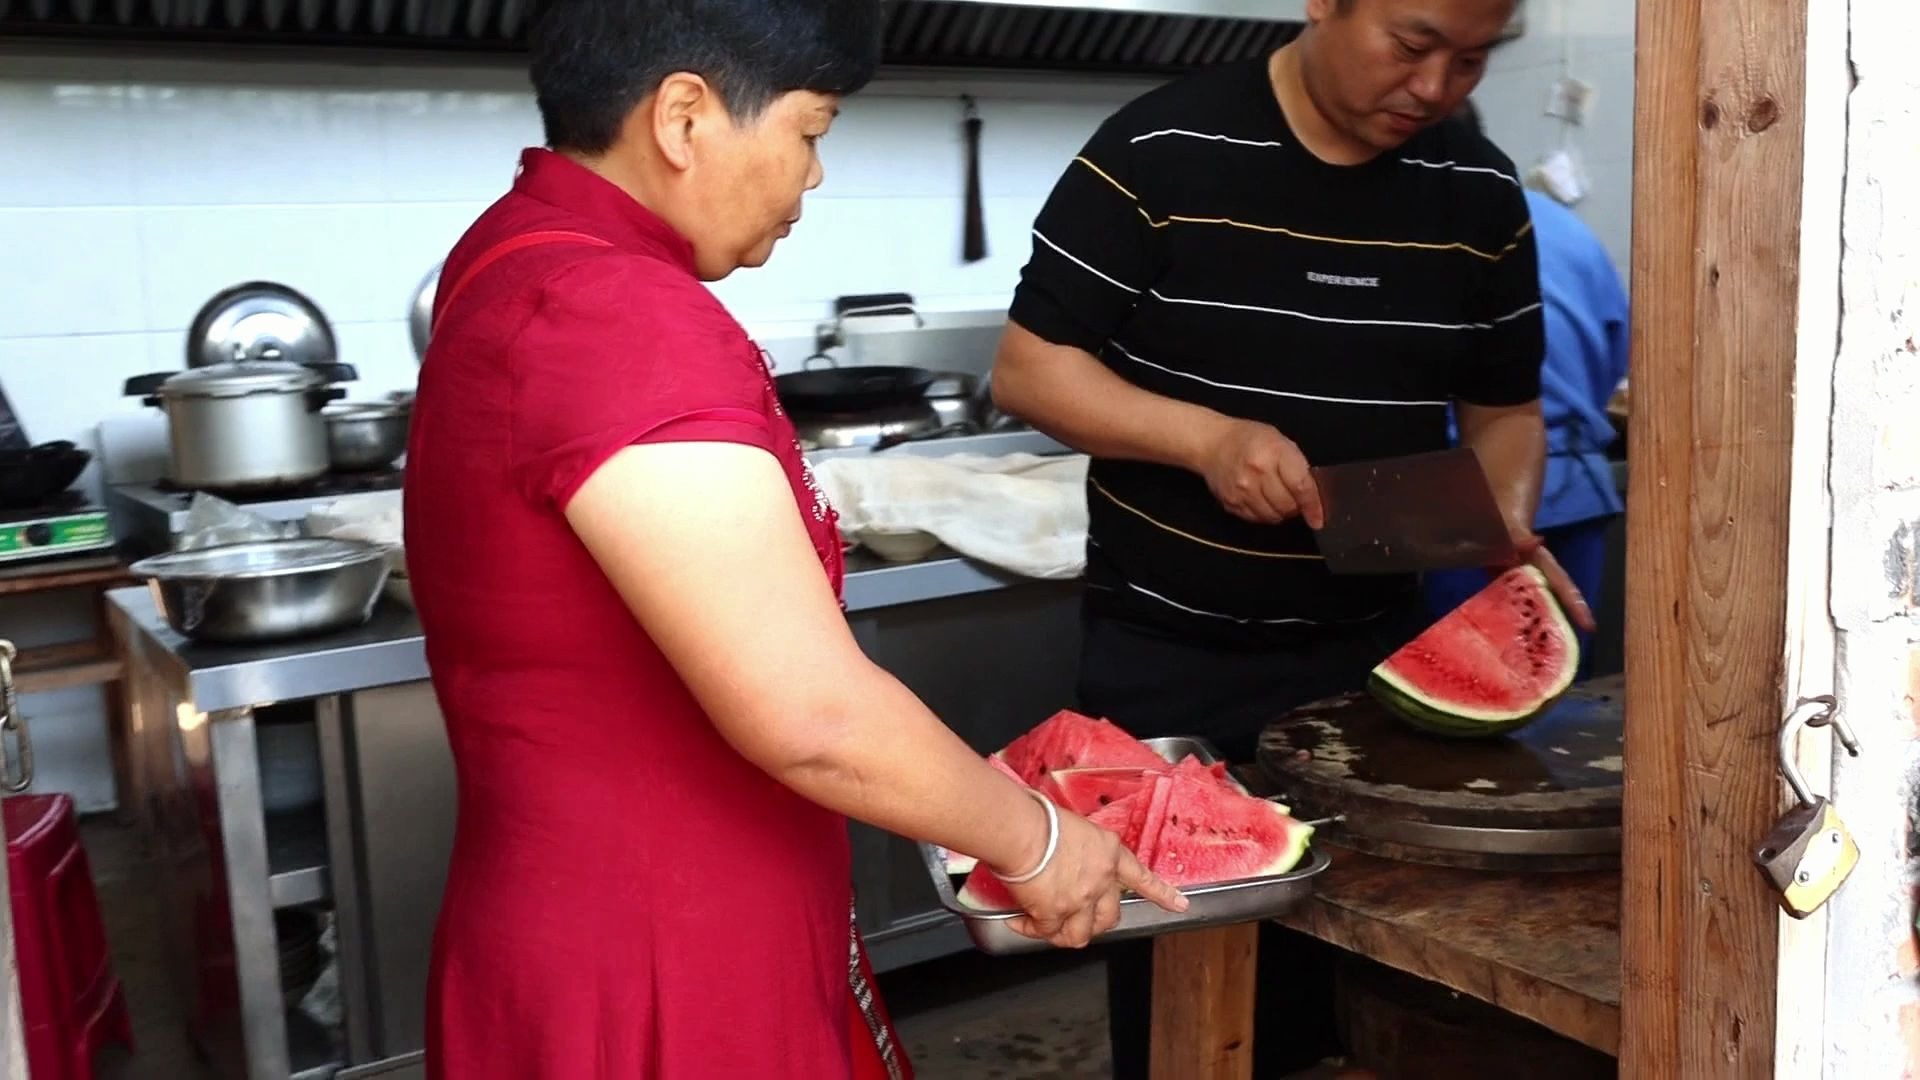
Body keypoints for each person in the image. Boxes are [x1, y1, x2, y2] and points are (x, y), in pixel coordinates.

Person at [401, 2, 1187, 1077]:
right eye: (810, 132)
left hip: (584, 924)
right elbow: (809, 714)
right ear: (684, 118)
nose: (814, 176)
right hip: (669, 961)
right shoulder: (619, 312)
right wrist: (1037, 841)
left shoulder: (515, 251)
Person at [989, 0, 1598, 1074]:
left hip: (1372, 677)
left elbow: (1505, 409)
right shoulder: (1160, 148)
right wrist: (1202, 439)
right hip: (1168, 664)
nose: (1435, 88)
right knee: (1186, 998)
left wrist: (1502, 513)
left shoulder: (1478, 191)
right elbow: (1032, 371)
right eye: (1412, 46)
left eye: (1469, 61)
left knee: (1353, 1000)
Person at [1423, 100, 1629, 677]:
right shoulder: (1570, 231)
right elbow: (1619, 352)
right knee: (1564, 696)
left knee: (1463, 688)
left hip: (1468, 496)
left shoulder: (1433, 231)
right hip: (1580, 494)